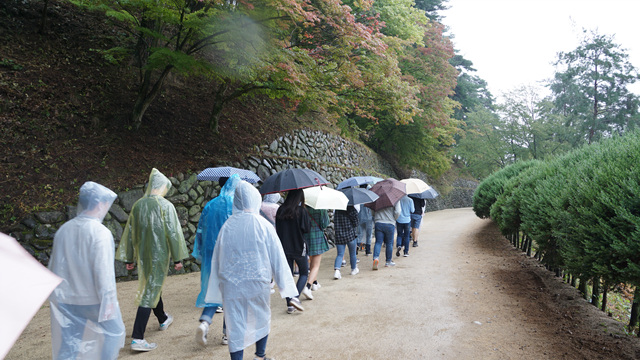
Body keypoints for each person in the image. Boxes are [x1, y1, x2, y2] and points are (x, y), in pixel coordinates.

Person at [205, 181, 298, 360]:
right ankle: (260, 355)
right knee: (261, 317)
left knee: (234, 323)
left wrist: (217, 285)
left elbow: (218, 258)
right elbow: (278, 257)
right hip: (258, 281)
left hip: (232, 283)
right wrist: (288, 290)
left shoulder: (227, 226)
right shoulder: (264, 225)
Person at [48, 182, 125, 360]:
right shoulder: (100, 233)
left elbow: (55, 266)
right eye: (106, 204)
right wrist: (109, 303)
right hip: (94, 300)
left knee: (68, 346)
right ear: (99, 204)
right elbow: (103, 272)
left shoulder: (64, 230)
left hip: (66, 300)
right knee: (114, 333)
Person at [116, 168, 189, 352]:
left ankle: (163, 318)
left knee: (152, 285)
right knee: (149, 291)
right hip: (159, 255)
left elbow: (130, 233)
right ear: (162, 187)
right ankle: (138, 337)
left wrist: (129, 258)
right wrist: (177, 258)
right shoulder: (165, 206)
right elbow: (173, 233)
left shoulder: (138, 205)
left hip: (143, 256)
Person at [193, 174, 241, 347]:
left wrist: (200, 251)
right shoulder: (236, 206)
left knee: (214, 289)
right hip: (230, 255)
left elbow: (200, 230)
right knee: (231, 295)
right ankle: (227, 334)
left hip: (211, 255)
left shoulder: (210, 205)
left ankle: (205, 322)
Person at [275, 188, 311, 314]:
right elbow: (306, 229)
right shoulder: (301, 211)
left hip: (284, 248)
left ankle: (289, 303)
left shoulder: (280, 210)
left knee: (288, 276)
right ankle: (295, 298)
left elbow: (277, 229)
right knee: (304, 273)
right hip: (299, 247)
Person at [303, 206, 330, 292]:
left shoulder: (303, 207)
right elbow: (325, 224)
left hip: (306, 236)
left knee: (311, 261)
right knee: (316, 265)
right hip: (317, 236)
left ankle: (315, 282)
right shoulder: (321, 208)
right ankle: (308, 286)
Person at [370, 200, 401, 269]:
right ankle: (388, 261)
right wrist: (393, 218)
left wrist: (376, 216)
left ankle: (376, 258)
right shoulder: (395, 197)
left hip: (378, 222)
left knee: (378, 242)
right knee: (389, 243)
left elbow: (372, 211)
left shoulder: (376, 197)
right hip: (390, 223)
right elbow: (398, 211)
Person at [332, 205, 360, 279]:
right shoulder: (351, 208)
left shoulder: (337, 210)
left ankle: (337, 271)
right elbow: (356, 222)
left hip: (339, 235)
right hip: (350, 234)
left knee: (340, 254)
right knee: (352, 253)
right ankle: (353, 269)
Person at [356, 186, 374, 256]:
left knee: (359, 234)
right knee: (369, 235)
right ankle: (368, 250)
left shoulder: (357, 195)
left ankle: (356, 247)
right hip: (369, 218)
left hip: (359, 217)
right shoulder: (369, 195)